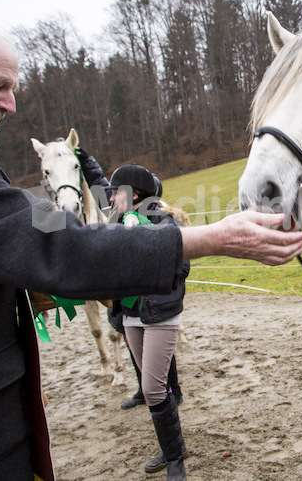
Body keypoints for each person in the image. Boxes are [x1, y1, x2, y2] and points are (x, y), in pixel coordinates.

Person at [0, 22, 302, 481]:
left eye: (12, 89)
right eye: (0, 86)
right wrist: (213, 238)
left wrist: (54, 222)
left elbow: (38, 225)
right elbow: (50, 236)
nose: (10, 104)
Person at [106, 164, 189, 480]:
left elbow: (181, 271)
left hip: (160, 314)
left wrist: (147, 267)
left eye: (116, 191)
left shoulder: (163, 222)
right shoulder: (116, 222)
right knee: (152, 385)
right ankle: (174, 448)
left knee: (153, 388)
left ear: (134, 193)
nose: (111, 196)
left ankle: (176, 460)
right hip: (131, 316)